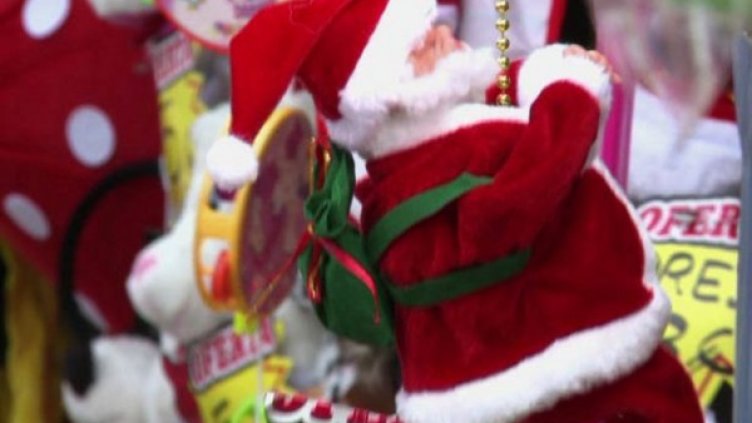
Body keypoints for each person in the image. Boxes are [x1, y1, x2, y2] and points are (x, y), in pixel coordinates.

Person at [207, 0, 703, 421]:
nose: (446, 33)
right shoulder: (446, 158)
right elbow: (525, 189)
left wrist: (544, 70)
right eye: (425, 42)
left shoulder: (402, 164)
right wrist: (574, 89)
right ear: (389, 90)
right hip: (564, 359)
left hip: (504, 378)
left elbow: (487, 91)